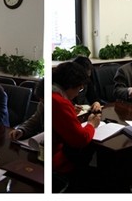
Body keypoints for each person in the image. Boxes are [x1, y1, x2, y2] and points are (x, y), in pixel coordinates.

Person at [52, 61, 100, 190]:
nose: (78, 93)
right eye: (79, 89)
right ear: (70, 86)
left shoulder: (51, 94)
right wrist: (91, 124)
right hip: (59, 159)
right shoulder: (60, 102)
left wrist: (71, 111)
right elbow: (81, 139)